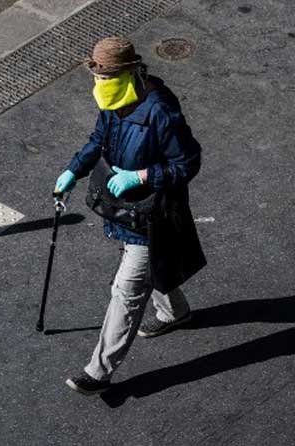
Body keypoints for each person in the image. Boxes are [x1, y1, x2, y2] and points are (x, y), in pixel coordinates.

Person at [54, 36, 206, 395]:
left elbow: (188, 162)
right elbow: (97, 140)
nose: (100, 85)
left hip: (153, 214)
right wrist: (72, 172)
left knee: (126, 289)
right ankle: (175, 313)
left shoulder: (160, 111)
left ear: (130, 73)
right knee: (151, 266)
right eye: (97, 77)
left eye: (106, 78)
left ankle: (98, 372)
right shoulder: (114, 101)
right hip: (125, 207)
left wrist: (140, 176)